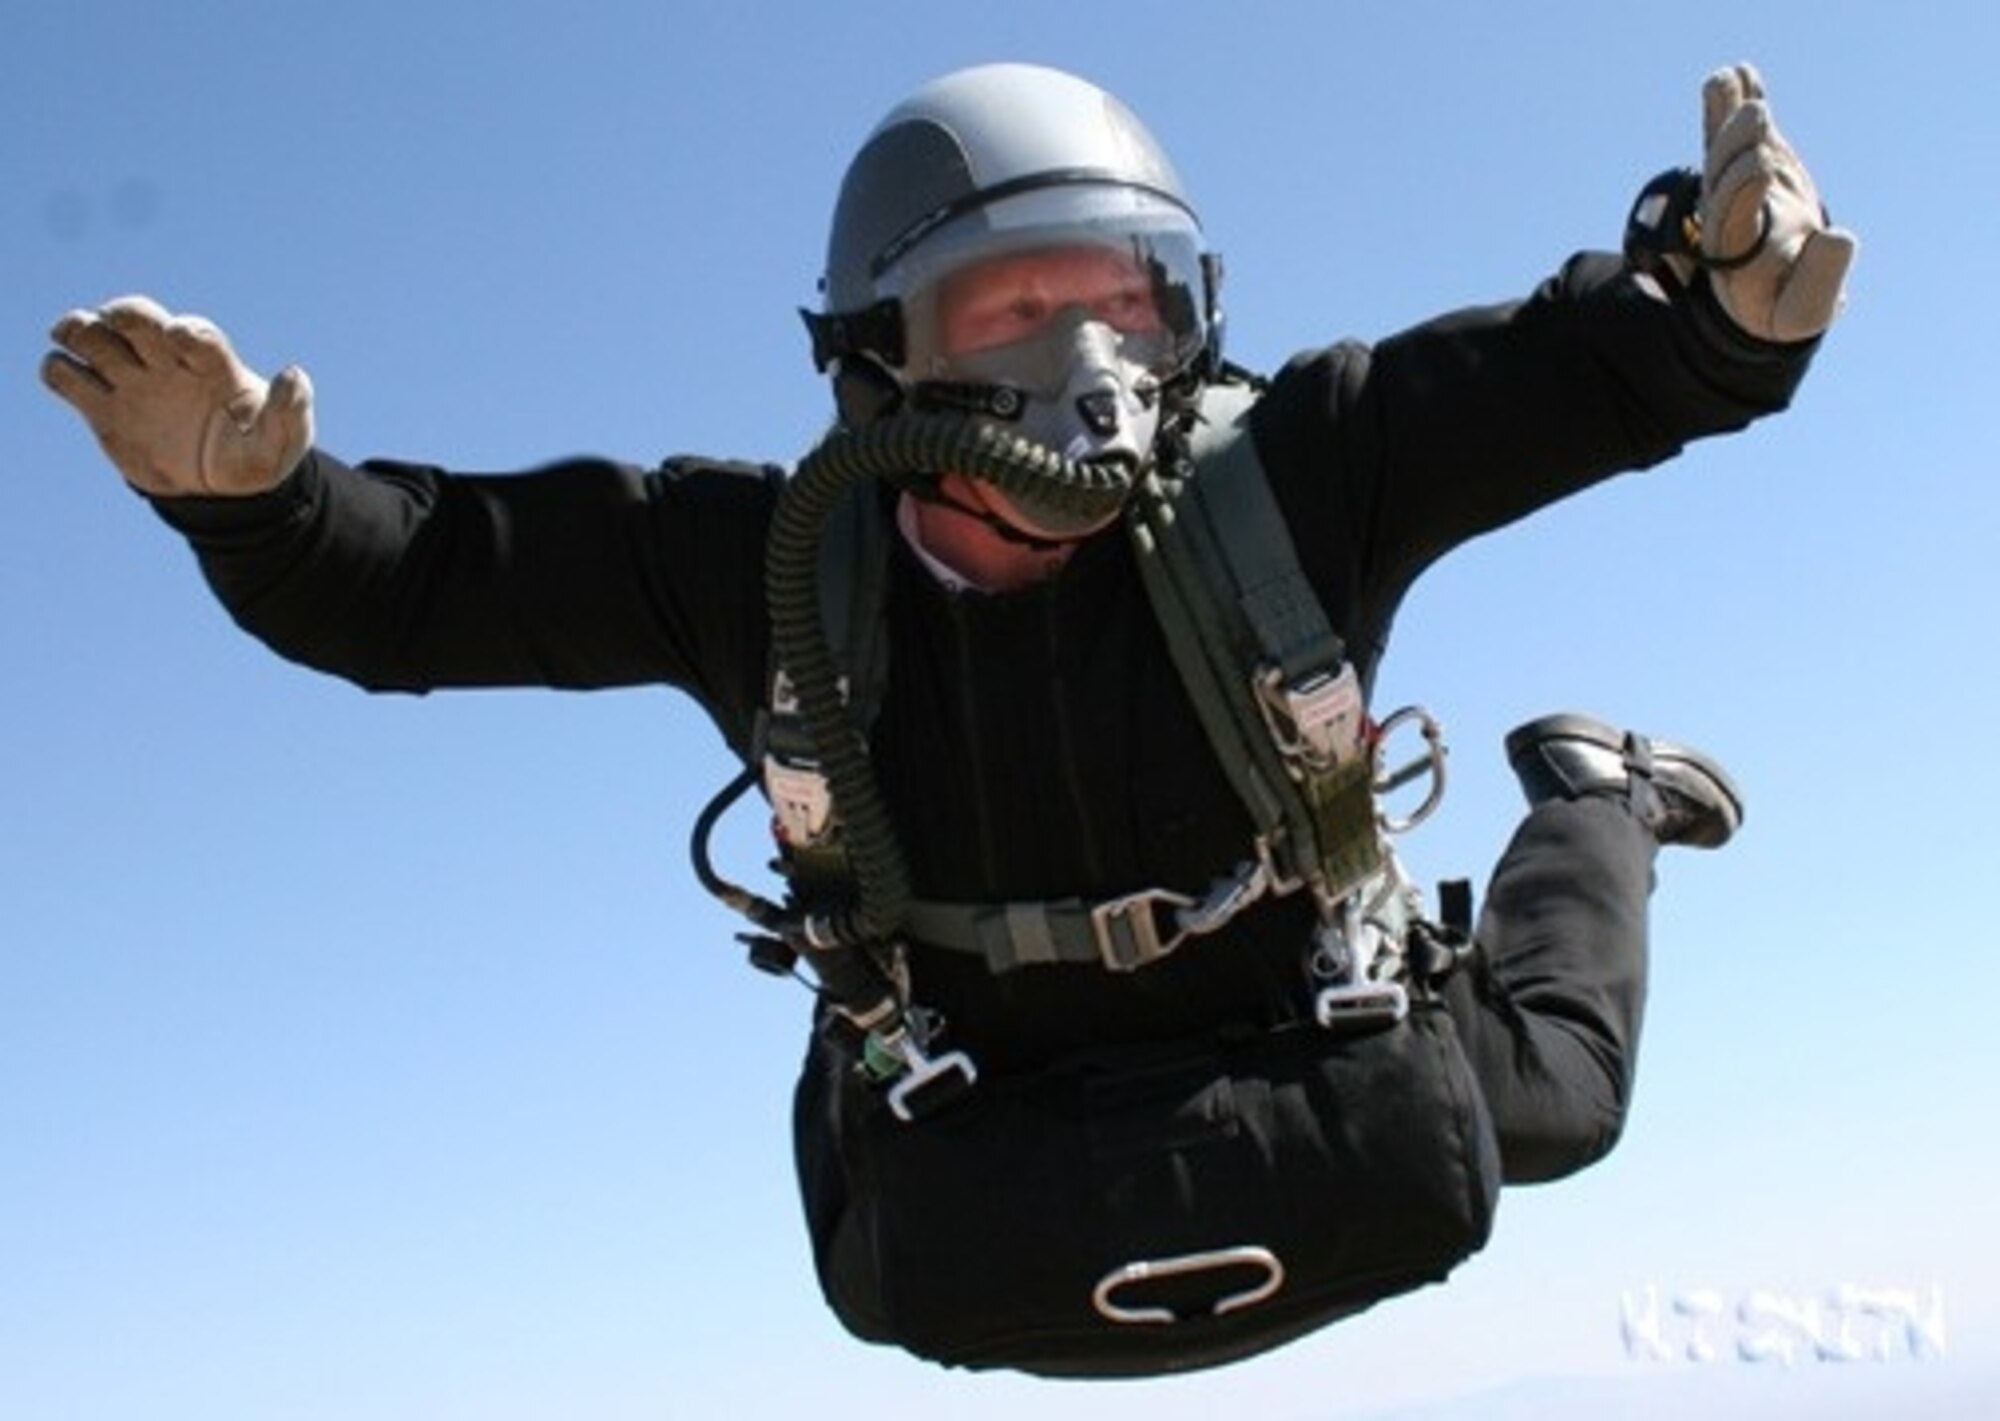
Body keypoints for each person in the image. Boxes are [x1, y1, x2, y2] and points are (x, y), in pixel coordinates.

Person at [41, 61, 1854, 1377]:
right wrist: (258, 507)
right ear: (880, 357)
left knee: (1565, 1102)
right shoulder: (762, 565)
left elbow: (1565, 382)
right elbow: (425, 580)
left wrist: (1723, 314)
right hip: (976, 1112)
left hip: (1307, 1029)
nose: (1084, 362)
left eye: (1124, 299)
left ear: (1188, 322)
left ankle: (1596, 797)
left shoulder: (1296, 473)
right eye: (1010, 306)